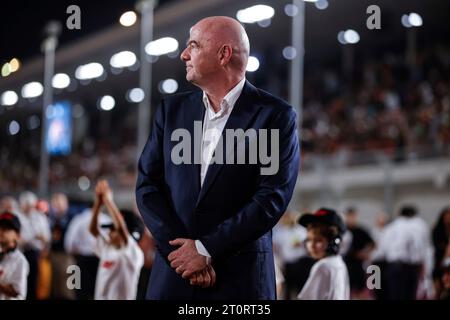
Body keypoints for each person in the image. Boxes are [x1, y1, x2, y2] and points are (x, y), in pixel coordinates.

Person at [136, 16, 300, 299]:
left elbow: (271, 198)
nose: (183, 54)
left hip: (240, 280)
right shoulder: (171, 111)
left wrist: (206, 249)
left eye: (193, 46)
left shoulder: (274, 115)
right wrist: (183, 254)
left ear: (223, 54)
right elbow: (147, 185)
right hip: (175, 274)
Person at [90, 180, 144, 300]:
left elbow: (121, 229)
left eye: (112, 230)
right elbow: (93, 230)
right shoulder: (108, 247)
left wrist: (109, 201)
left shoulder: (134, 253)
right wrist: (98, 204)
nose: (109, 233)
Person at [378, 206, 432, 300]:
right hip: (413, 266)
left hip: (395, 265)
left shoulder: (392, 227)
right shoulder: (420, 225)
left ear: (399, 213)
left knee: (395, 295)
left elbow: (383, 249)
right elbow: (425, 248)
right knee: (410, 295)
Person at [296, 208, 350, 300]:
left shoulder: (323, 266)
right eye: (309, 240)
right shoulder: (339, 262)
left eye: (318, 240)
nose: (311, 245)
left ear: (334, 242)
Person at [17, 191, 51, 300]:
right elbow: (18, 239)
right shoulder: (16, 216)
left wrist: (39, 240)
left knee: (35, 281)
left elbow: (46, 237)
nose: (28, 208)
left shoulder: (40, 217)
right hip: (20, 252)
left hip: (35, 253)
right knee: (20, 280)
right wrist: (33, 237)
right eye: (26, 205)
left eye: (30, 205)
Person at [0, 212, 29, 300]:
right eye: (0, 227)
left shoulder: (20, 261)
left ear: (17, 235)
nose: (1, 231)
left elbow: (18, 293)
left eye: (7, 228)